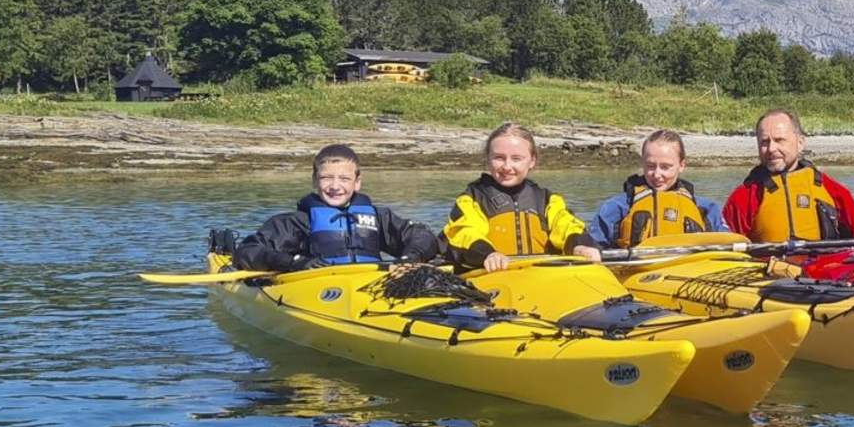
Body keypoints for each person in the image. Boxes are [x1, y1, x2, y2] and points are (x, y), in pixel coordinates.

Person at [233, 144, 440, 271]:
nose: (334, 186)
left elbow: (422, 236)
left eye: (344, 178)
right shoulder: (295, 222)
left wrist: (411, 256)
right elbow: (247, 252)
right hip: (320, 292)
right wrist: (293, 262)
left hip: (369, 286)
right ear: (315, 181)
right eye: (326, 178)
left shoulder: (378, 217)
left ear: (357, 182)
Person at [444, 122, 604, 272]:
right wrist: (488, 254)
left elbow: (567, 226)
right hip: (492, 275)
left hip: (541, 276)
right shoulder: (471, 199)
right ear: (488, 159)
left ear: (532, 161)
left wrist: (580, 246)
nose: (507, 167)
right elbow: (465, 233)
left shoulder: (548, 200)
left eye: (516, 159)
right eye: (499, 158)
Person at [721, 109, 854, 243]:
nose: (771, 149)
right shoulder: (743, 197)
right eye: (764, 142)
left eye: (779, 140)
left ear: (800, 143)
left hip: (825, 276)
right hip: (770, 278)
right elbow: (726, 249)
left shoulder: (831, 190)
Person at [589, 129, 730, 249]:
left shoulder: (706, 208)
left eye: (665, 167)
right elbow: (592, 246)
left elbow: (727, 245)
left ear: (681, 165)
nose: (657, 175)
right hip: (635, 273)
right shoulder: (616, 207)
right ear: (642, 163)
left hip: (688, 272)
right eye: (650, 166)